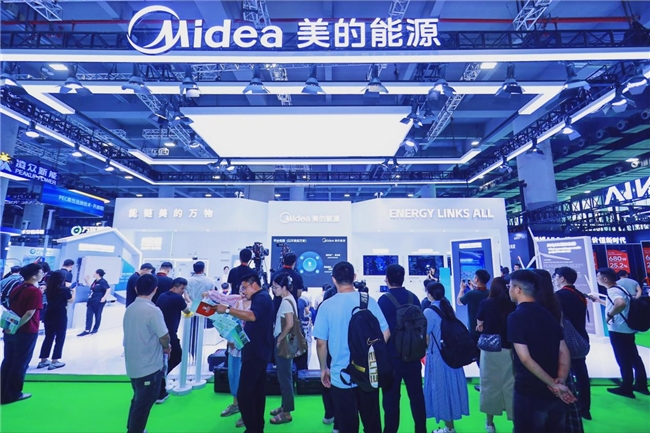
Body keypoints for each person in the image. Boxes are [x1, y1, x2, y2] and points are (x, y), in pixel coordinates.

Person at [313, 261, 390, 433]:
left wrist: (324, 368)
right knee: (372, 424)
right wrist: (372, 355)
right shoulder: (368, 301)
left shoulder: (327, 306)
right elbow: (385, 332)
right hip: (368, 374)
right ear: (354, 277)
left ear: (334, 279)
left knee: (347, 426)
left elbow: (321, 343)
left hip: (341, 376)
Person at [508, 270, 575, 433]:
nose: (508, 290)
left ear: (517, 289)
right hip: (554, 391)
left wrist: (553, 384)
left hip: (529, 391)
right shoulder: (548, 313)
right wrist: (560, 380)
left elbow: (525, 358)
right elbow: (563, 350)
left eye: (509, 286)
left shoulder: (516, 317)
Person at [212, 272, 274, 433]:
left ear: (254, 284)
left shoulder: (262, 298)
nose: (243, 292)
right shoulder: (261, 297)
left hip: (256, 353)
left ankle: (252, 428)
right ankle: (256, 427)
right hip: (256, 351)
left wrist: (227, 310)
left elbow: (252, 316)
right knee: (256, 392)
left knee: (245, 393)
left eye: (245, 288)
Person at [378, 264, 427, 433]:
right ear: (403, 278)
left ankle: (390, 430)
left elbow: (382, 330)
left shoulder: (383, 301)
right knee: (417, 396)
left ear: (387, 279)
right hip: (413, 356)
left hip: (392, 358)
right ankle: (421, 429)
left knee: (391, 399)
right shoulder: (414, 298)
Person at [588, 268, 649, 398]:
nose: (597, 279)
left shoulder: (613, 290)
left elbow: (620, 304)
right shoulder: (620, 288)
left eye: (598, 276)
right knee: (634, 357)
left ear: (605, 279)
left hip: (618, 330)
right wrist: (599, 301)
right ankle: (641, 384)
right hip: (627, 328)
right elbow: (617, 304)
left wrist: (609, 315)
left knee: (623, 359)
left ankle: (626, 387)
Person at [123, 273, 170, 433]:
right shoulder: (153, 311)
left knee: (138, 400)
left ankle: (134, 428)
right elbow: (164, 336)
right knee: (143, 405)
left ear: (136, 288)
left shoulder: (130, 308)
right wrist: (167, 347)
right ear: (155, 289)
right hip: (149, 366)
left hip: (133, 364)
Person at [423, 282, 469, 433]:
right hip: (451, 356)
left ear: (430, 294)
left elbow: (425, 336)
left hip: (438, 357)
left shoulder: (429, 312)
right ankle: (450, 425)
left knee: (441, 391)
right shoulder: (447, 307)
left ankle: (449, 428)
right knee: (451, 389)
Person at [204, 288, 251, 429]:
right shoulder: (236, 300)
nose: (243, 292)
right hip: (233, 347)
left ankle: (247, 412)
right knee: (233, 376)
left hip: (248, 349)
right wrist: (209, 294)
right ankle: (236, 404)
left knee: (246, 380)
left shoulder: (257, 305)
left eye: (246, 288)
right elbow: (222, 298)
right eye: (242, 288)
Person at [476, 277, 516, 432]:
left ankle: (490, 423)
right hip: (509, 349)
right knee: (511, 385)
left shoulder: (485, 303)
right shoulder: (512, 304)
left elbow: (479, 324)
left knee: (489, 385)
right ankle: (516, 422)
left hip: (489, 350)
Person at [0, 263, 43, 404]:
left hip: (9, 329)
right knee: (20, 363)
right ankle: (13, 394)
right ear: (34, 276)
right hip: (26, 331)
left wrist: (12, 327)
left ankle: (3, 391)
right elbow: (30, 313)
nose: (42, 274)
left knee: (8, 360)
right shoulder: (35, 292)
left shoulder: (17, 288)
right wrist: (18, 326)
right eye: (41, 272)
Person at [553, 267, 592, 420]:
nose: (555, 279)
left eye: (556, 276)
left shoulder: (560, 295)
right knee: (581, 373)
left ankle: (569, 405)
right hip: (580, 337)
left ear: (562, 278)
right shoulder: (579, 295)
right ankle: (584, 407)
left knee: (565, 374)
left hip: (567, 340)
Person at [269, 272, 298, 425]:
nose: (274, 290)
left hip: (284, 343)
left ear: (284, 287)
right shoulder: (288, 299)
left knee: (285, 378)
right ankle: (284, 406)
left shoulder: (286, 302)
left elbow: (290, 323)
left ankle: (286, 412)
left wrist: (280, 338)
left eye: (276, 287)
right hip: (286, 342)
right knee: (284, 376)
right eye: (273, 287)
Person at [155, 277, 190, 404]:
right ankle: (160, 386)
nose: (183, 291)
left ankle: (159, 384)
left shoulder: (162, 296)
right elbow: (187, 311)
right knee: (177, 356)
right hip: (169, 334)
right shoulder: (177, 298)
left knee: (164, 360)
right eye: (182, 289)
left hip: (159, 333)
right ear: (174, 287)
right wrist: (188, 301)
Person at [37, 270, 74, 370]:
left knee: (48, 337)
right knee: (60, 337)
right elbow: (71, 300)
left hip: (49, 314)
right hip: (60, 315)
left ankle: (43, 360)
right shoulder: (64, 290)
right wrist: (73, 292)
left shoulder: (48, 289)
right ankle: (55, 360)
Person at [457, 269, 490, 377]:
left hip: (474, 330)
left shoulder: (471, 294)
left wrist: (462, 289)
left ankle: (484, 379)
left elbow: (459, 301)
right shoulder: (489, 293)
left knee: (478, 356)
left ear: (476, 279)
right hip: (488, 329)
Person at [316, 285, 338, 431]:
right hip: (342, 352)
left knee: (326, 382)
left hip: (328, 351)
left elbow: (320, 342)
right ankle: (339, 422)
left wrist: (322, 366)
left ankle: (329, 414)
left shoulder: (323, 308)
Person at [186, 261, 215, 359]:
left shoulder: (188, 281)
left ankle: (191, 352)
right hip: (203, 309)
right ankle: (198, 354)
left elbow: (186, 295)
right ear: (203, 269)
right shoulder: (210, 281)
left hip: (191, 309)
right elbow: (212, 296)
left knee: (191, 331)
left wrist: (191, 303)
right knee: (200, 331)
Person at [77, 269, 111, 337]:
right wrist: (86, 280)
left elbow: (108, 289)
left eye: (95, 272)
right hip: (92, 300)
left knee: (97, 315)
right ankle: (87, 330)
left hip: (98, 301)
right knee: (89, 315)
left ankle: (95, 329)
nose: (93, 274)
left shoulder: (103, 282)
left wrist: (104, 298)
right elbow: (92, 287)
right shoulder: (95, 281)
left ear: (98, 274)